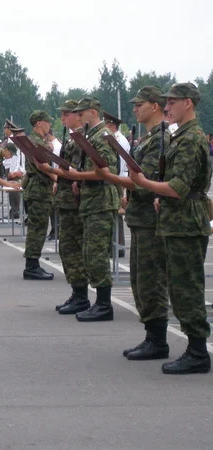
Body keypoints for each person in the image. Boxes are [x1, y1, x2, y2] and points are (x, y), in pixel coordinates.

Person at [130, 83, 211, 374]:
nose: (166, 107)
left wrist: (146, 184)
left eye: (172, 102)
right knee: (178, 288)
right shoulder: (181, 136)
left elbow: (178, 187)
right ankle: (193, 349)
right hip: (177, 221)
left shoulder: (190, 139)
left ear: (188, 103)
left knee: (186, 288)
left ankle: (198, 353)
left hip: (186, 223)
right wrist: (158, 194)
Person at [95, 86, 170, 359]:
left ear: (155, 106)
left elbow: (146, 182)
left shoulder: (162, 138)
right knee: (140, 280)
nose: (135, 108)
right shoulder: (148, 138)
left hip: (152, 221)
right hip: (140, 219)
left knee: (151, 281)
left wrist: (111, 178)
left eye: (140, 104)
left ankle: (158, 340)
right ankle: (152, 336)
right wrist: (125, 193)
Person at [40, 98, 120, 321]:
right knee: (84, 251)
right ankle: (83, 297)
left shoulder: (102, 136)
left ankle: (103, 304)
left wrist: (77, 176)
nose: (76, 116)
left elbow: (108, 171)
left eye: (79, 112)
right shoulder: (90, 136)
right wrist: (78, 178)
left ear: (92, 113)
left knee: (95, 253)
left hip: (101, 199)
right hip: (90, 198)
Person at [49, 100, 91, 314]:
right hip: (65, 200)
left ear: (78, 116)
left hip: (74, 202)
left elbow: (76, 170)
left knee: (73, 248)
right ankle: (77, 292)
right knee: (67, 249)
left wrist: (50, 168)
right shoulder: (71, 139)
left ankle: (82, 296)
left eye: (67, 114)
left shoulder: (81, 139)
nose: (63, 118)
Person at [22, 110, 56, 280]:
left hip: (38, 187)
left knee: (37, 228)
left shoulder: (38, 141)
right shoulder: (36, 142)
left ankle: (32, 264)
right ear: (39, 123)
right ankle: (32, 265)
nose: (50, 125)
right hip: (39, 188)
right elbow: (41, 165)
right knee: (38, 229)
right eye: (47, 121)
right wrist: (57, 178)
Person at [104, 111, 130, 256]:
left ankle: (118, 247)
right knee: (115, 214)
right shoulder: (116, 139)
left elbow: (119, 165)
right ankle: (116, 246)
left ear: (113, 127)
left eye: (106, 125)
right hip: (116, 179)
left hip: (117, 180)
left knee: (117, 214)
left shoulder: (119, 141)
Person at [3, 120, 26, 219]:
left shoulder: (25, 147)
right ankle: (15, 210)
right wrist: (14, 171)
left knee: (18, 193)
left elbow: (25, 165)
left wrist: (19, 172)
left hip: (23, 175)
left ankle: (17, 210)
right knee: (12, 191)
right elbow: (18, 162)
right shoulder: (19, 147)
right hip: (16, 172)